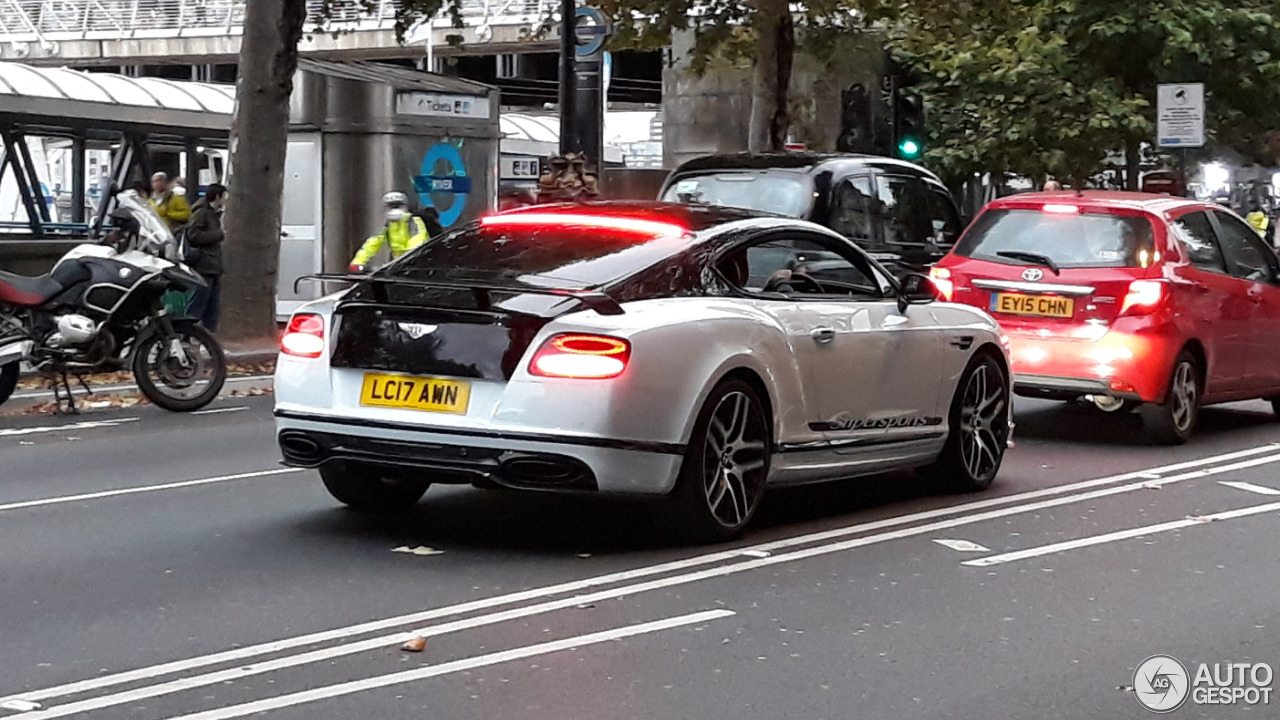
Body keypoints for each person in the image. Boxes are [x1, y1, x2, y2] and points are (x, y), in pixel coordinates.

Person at [349, 191, 429, 272]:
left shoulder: (413, 221)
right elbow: (373, 242)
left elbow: (417, 243)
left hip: (417, 265)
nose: (394, 210)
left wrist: (404, 260)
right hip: (397, 264)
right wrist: (358, 262)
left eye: (397, 206)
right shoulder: (388, 225)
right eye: (391, 207)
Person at [184, 184, 227, 331]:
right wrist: (219, 235)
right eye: (224, 196)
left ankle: (208, 337)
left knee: (212, 306)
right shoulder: (202, 213)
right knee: (198, 302)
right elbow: (193, 235)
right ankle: (187, 333)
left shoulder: (213, 213)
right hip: (204, 265)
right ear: (217, 197)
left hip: (212, 265)